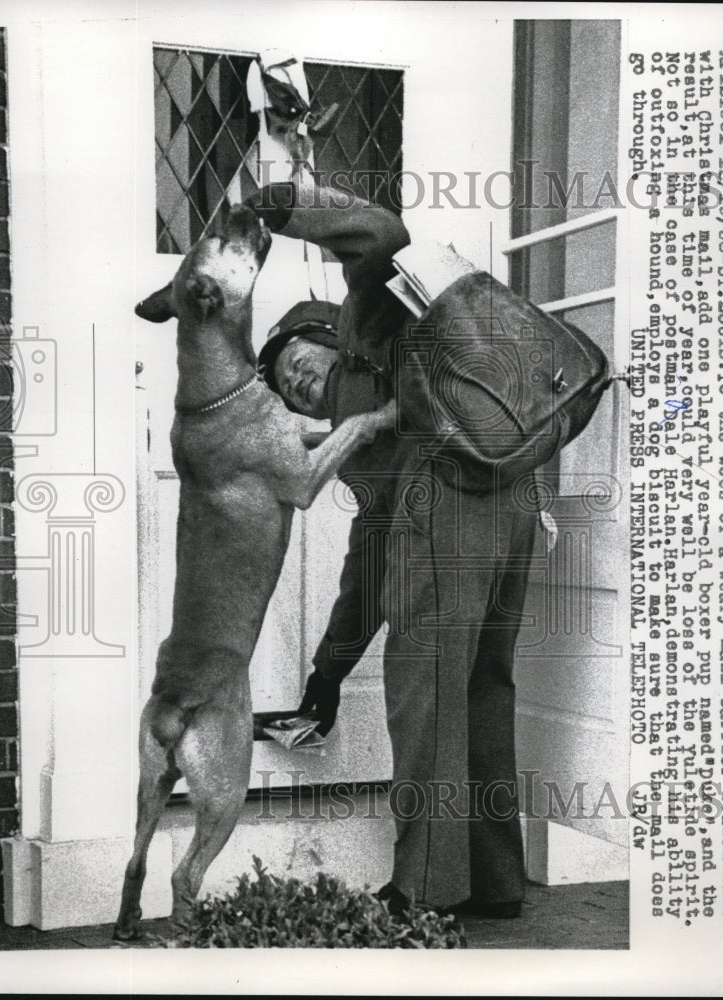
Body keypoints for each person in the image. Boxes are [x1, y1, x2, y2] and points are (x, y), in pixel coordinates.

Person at [249, 179, 536, 919]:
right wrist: (326, 677)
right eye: (290, 391)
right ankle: (493, 883)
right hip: (504, 495)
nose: (300, 383)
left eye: (296, 362)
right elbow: (369, 557)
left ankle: (423, 891)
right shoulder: (357, 434)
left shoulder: (368, 318)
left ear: (321, 332)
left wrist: (281, 206)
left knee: (426, 695)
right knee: (476, 692)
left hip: (452, 507)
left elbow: (377, 231)